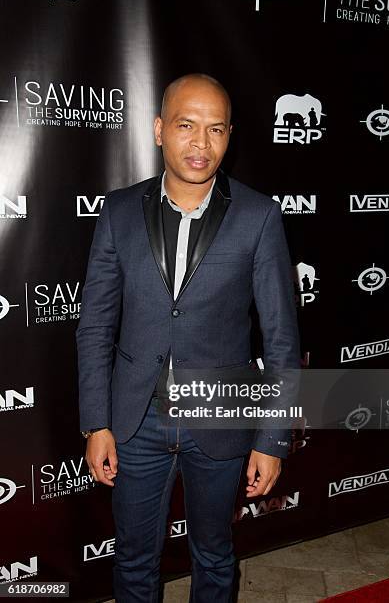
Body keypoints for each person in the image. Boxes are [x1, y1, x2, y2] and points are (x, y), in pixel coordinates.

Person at [76, 73, 300, 603]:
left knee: (215, 555)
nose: (201, 143)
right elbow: (95, 326)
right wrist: (96, 422)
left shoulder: (259, 216)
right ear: (159, 130)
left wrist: (272, 440)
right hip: (135, 421)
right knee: (133, 560)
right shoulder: (118, 212)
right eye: (186, 125)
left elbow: (282, 340)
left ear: (229, 136)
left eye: (216, 129)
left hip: (221, 417)